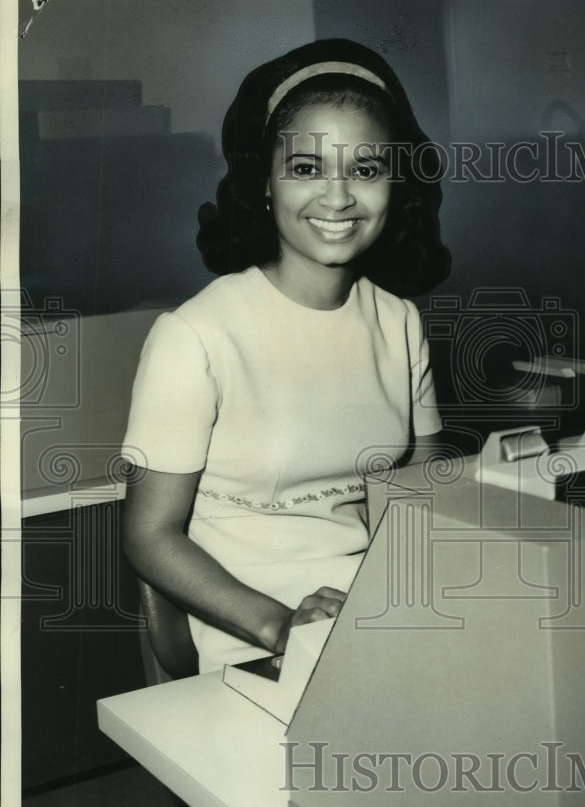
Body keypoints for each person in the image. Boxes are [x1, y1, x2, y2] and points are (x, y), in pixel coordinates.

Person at [121, 39, 450, 674]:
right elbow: (148, 535)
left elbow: (420, 496)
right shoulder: (195, 334)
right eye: (306, 169)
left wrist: (399, 600)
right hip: (251, 628)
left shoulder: (400, 322)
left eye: (365, 169)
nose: (337, 198)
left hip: (375, 616)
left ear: (395, 184)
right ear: (264, 185)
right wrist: (282, 626)